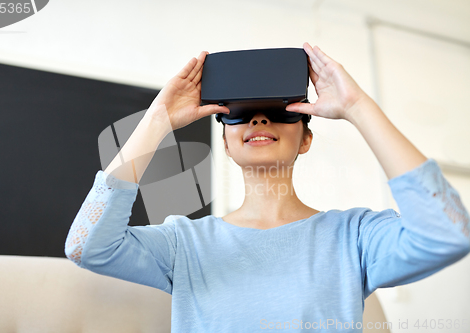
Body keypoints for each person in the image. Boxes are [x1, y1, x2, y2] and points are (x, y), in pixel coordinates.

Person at [65, 42, 470, 332]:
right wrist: (157, 121)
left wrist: (357, 107)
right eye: (240, 115)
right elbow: (87, 245)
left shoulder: (354, 237)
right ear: (225, 142)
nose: (259, 121)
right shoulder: (185, 244)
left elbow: (449, 233)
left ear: (306, 138)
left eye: (278, 112)